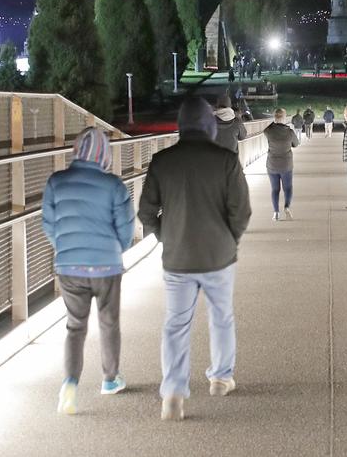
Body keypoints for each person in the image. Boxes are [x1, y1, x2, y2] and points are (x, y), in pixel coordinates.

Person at [138, 97, 252, 421]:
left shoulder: (162, 161)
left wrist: (165, 235)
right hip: (219, 256)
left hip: (177, 258)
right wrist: (230, 240)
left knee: (175, 325)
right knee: (222, 317)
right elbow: (241, 211)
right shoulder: (226, 160)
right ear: (209, 124)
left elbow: (146, 212)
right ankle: (220, 377)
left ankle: (173, 392)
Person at [42, 127, 135, 415]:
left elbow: (49, 223)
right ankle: (109, 379)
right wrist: (114, 250)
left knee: (75, 326)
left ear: (76, 151)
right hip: (107, 266)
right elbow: (126, 228)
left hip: (69, 265)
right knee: (109, 322)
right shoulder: (114, 185)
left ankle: (70, 383)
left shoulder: (56, 182)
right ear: (104, 155)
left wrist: (65, 247)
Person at [263, 108, 300, 221]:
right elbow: (296, 144)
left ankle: (276, 213)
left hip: (272, 164)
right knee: (288, 188)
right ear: (284, 117)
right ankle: (287, 207)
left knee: (275, 189)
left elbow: (267, 130)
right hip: (286, 164)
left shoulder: (268, 131)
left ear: (274, 117)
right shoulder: (289, 132)